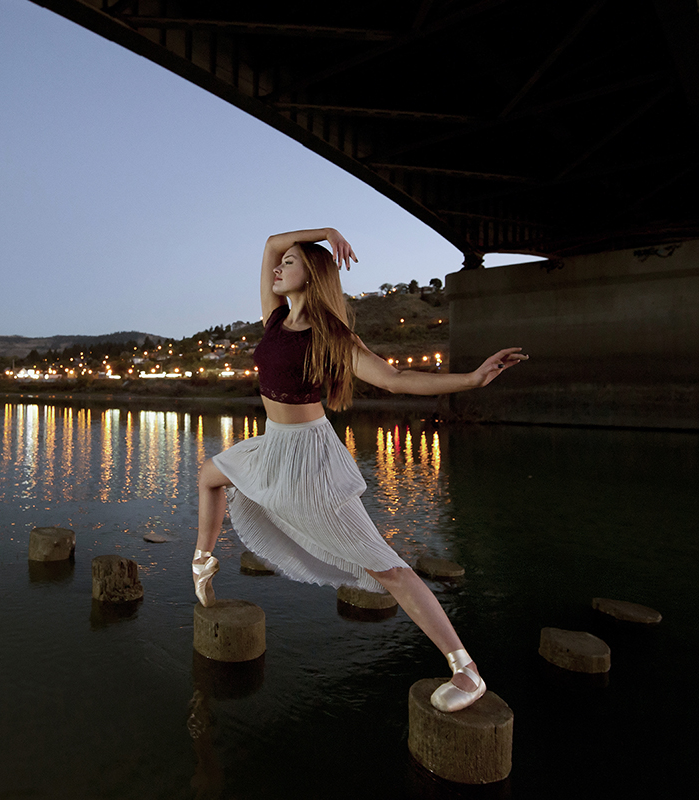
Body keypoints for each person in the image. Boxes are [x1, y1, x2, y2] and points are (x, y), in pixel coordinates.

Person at [191, 227, 527, 713]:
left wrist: (472, 379)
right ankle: (203, 560)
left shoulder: (333, 336)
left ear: (313, 273)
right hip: (272, 447)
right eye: (280, 263)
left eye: (291, 262)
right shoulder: (274, 318)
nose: (278, 267)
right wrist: (325, 232)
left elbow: (395, 379)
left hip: (310, 459)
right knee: (210, 475)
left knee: (389, 568)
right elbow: (268, 243)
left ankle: (467, 671)